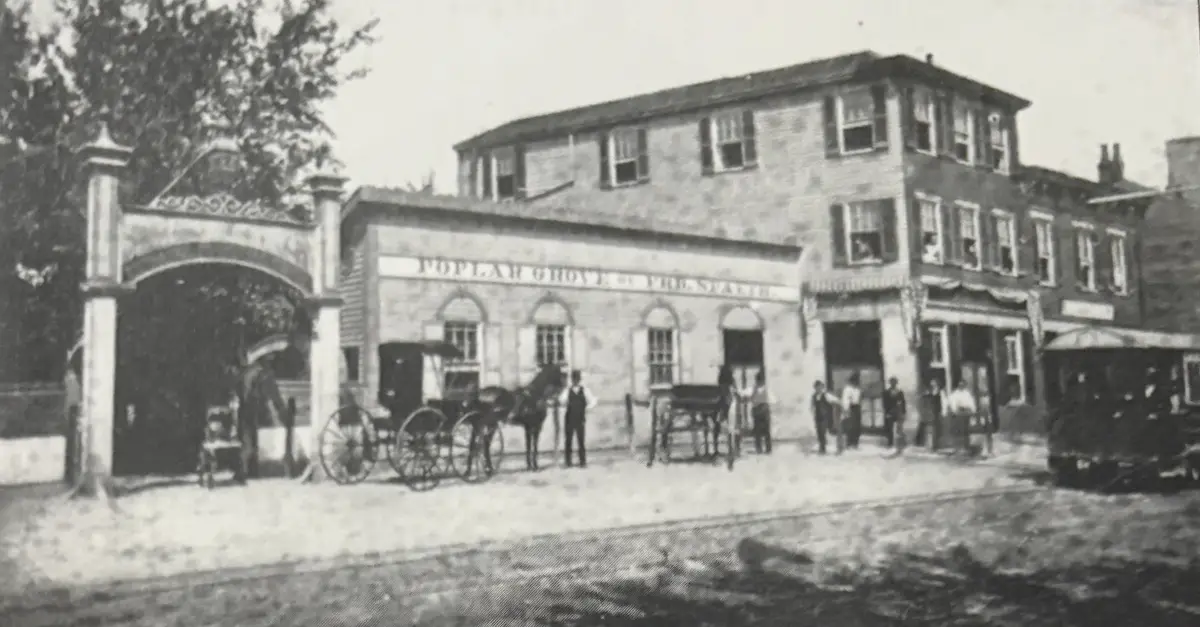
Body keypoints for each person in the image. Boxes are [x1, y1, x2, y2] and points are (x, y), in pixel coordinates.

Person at [557, 369, 597, 468]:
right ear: (572, 379)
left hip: (580, 418)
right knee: (568, 441)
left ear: (579, 379)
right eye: (574, 378)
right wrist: (565, 403)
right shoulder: (567, 390)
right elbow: (561, 400)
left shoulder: (585, 390)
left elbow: (593, 401)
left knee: (581, 440)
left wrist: (586, 408)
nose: (575, 380)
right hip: (569, 418)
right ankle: (568, 462)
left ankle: (582, 462)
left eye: (577, 378)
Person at [745, 371, 775, 454]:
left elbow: (772, 399)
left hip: (764, 410)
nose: (760, 382)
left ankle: (768, 448)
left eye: (760, 380)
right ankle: (759, 448)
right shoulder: (754, 389)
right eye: (759, 380)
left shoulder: (766, 389)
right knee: (757, 431)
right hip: (758, 411)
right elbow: (751, 399)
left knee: (767, 431)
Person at [946, 379, 978, 453]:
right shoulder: (955, 394)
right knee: (958, 430)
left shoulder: (967, 393)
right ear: (958, 386)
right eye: (960, 385)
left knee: (966, 430)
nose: (961, 386)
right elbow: (951, 402)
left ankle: (966, 446)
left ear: (964, 385)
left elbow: (971, 402)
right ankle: (959, 447)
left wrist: (973, 410)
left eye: (963, 385)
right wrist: (954, 410)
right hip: (958, 413)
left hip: (966, 413)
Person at [811, 380, 841, 454]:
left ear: (822, 387)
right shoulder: (814, 396)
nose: (818, 388)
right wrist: (814, 414)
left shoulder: (827, 395)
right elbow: (813, 406)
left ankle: (837, 448)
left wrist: (835, 409)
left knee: (829, 431)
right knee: (820, 433)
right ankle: (822, 448)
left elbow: (837, 401)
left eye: (819, 387)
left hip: (826, 417)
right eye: (816, 387)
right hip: (818, 416)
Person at [918, 378, 949, 450]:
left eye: (934, 384)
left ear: (937, 385)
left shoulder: (941, 392)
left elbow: (944, 403)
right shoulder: (930, 393)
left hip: (938, 412)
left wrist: (943, 412)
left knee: (938, 429)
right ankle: (931, 445)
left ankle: (937, 445)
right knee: (930, 429)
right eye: (932, 385)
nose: (933, 386)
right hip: (931, 413)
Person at [882, 377, 907, 452]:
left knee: (899, 428)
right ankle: (890, 443)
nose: (893, 384)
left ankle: (900, 444)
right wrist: (886, 413)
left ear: (896, 383)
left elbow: (903, 402)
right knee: (889, 428)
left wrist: (903, 412)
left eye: (894, 382)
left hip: (898, 412)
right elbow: (885, 404)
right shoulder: (886, 392)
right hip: (890, 412)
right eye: (892, 382)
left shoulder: (900, 392)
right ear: (890, 383)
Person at [840, 372, 864, 450]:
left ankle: (855, 443)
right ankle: (849, 444)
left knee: (857, 426)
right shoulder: (847, 389)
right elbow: (845, 400)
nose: (857, 382)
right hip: (850, 407)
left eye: (858, 380)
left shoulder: (858, 389)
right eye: (855, 380)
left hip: (857, 407)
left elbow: (859, 399)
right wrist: (846, 410)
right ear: (852, 380)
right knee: (850, 426)